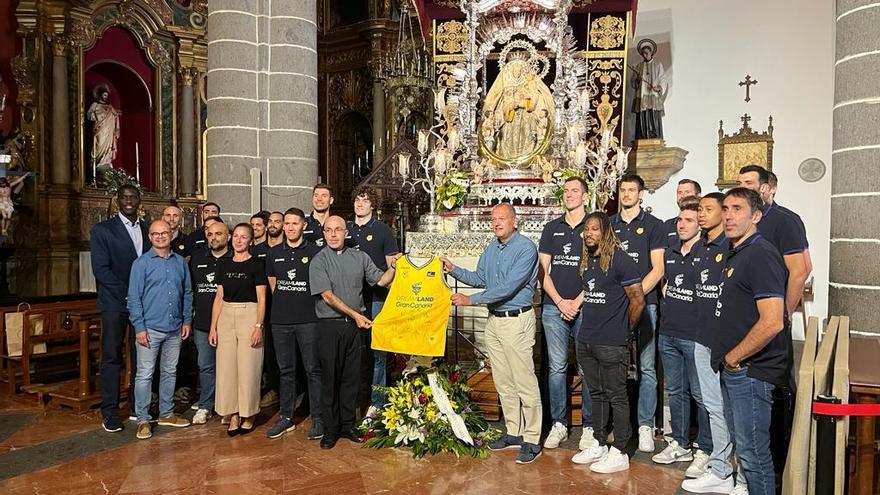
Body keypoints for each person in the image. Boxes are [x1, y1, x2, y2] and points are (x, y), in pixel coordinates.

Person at [441, 203, 543, 465]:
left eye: (502, 219)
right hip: (495, 321)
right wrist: (454, 269)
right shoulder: (492, 248)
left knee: (524, 382)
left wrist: (470, 300)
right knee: (504, 382)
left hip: (516, 320)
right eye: (493, 219)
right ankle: (514, 432)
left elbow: (508, 288)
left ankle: (532, 439)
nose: (496, 223)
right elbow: (479, 277)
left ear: (514, 221)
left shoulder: (526, 249)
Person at [711, 187, 789, 495]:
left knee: (754, 457)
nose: (728, 215)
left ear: (756, 215)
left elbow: (772, 321)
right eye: (726, 208)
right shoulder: (737, 250)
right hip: (736, 369)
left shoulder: (761, 253)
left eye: (738, 209)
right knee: (745, 453)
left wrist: (734, 358)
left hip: (751, 371)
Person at [309, 216, 399, 449]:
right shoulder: (319, 261)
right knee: (330, 379)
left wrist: (394, 267)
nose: (333, 234)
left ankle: (347, 425)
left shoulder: (359, 257)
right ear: (324, 234)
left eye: (338, 229)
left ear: (346, 232)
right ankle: (330, 430)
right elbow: (327, 296)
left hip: (353, 328)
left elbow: (380, 281)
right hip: (330, 326)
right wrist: (356, 315)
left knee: (351, 379)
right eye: (328, 230)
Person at [570, 211, 645, 473]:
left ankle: (620, 450)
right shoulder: (589, 259)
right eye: (586, 229)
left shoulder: (621, 260)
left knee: (617, 395)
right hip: (587, 339)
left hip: (612, 342)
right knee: (597, 393)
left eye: (594, 229)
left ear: (606, 232)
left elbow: (638, 300)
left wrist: (625, 332)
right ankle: (600, 443)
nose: (589, 233)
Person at [682, 192, 741, 493]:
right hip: (701, 336)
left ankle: (739, 474)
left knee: (733, 410)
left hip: (726, 342)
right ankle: (719, 468)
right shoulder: (702, 247)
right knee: (713, 407)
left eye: (708, 209)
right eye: (700, 209)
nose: (701, 214)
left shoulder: (729, 248)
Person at [653, 200, 711, 471]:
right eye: (679, 220)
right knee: (675, 391)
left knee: (700, 394)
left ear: (699, 224)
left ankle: (705, 448)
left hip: (695, 334)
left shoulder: (709, 251)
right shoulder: (671, 250)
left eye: (688, 220)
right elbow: (666, 283)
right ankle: (680, 443)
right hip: (669, 332)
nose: (681, 224)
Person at [538, 177, 594, 451]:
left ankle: (589, 427)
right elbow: (542, 271)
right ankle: (559, 424)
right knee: (557, 368)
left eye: (575, 191)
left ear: (585, 196)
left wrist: (578, 301)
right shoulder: (552, 228)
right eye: (567, 191)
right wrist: (560, 301)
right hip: (553, 307)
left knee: (587, 367)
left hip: (587, 306)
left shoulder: (594, 226)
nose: (570, 195)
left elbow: (599, 268)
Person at [611, 173, 665, 452]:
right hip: (614, 306)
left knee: (646, 367)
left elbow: (658, 268)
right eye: (623, 190)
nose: (627, 194)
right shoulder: (609, 224)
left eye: (632, 190)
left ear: (641, 194)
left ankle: (645, 425)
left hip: (646, 304)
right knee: (615, 366)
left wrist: (636, 296)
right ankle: (618, 425)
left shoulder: (654, 226)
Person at [90, 184, 151, 433]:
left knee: (141, 358)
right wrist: (128, 294)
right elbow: (101, 270)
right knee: (112, 356)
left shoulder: (149, 230)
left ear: (139, 200)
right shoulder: (103, 231)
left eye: (133, 196)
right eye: (124, 197)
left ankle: (139, 408)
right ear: (117, 200)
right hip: (116, 302)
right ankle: (110, 411)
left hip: (144, 305)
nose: (128, 200)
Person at [128, 220, 193, 439]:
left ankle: (166, 413)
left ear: (171, 235)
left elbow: (187, 293)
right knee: (145, 374)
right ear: (150, 237)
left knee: (169, 371)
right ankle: (143, 419)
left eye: (164, 233)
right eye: (156, 234)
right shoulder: (141, 264)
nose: (160, 237)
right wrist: (139, 327)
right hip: (150, 329)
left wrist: (186, 321)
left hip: (174, 328)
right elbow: (134, 299)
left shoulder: (179, 262)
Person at [265, 208, 324, 440]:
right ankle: (286, 417)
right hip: (280, 321)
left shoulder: (316, 251)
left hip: (309, 320)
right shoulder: (273, 252)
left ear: (304, 226)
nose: (290, 227)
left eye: (295, 223)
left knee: (313, 370)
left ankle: (318, 418)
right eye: (287, 223)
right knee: (286, 371)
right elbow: (273, 283)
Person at [345, 186, 400, 419]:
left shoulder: (383, 230)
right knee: (351, 352)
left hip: (377, 298)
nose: (360, 204)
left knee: (377, 352)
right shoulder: (344, 229)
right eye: (357, 200)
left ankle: (377, 402)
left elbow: (392, 266)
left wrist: (383, 281)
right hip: (349, 298)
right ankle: (352, 401)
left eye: (365, 201)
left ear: (372, 205)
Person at [209, 223, 268, 435]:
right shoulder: (223, 264)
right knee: (226, 368)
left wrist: (258, 325)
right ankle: (232, 413)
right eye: (236, 236)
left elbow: (262, 298)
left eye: (244, 237)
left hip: (249, 314)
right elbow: (218, 297)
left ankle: (248, 413)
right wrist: (213, 327)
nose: (239, 240)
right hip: (226, 315)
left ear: (251, 241)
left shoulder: (256, 264)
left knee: (248, 366)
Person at [737, 165, 808, 318]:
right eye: (739, 183)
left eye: (748, 183)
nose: (742, 188)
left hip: (771, 303)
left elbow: (800, 271)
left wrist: (785, 314)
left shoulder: (785, 220)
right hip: (742, 306)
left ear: (764, 187)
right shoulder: (738, 220)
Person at [188, 218, 230, 425]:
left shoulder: (235, 259)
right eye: (210, 234)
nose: (213, 238)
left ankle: (228, 406)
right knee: (206, 366)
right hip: (203, 324)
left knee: (230, 367)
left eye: (218, 234)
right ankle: (206, 405)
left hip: (229, 323)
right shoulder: (196, 258)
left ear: (228, 236)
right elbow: (190, 291)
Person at [252, 210, 284, 409]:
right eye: (270, 221)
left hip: (280, 305)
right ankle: (266, 386)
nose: (273, 224)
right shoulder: (258, 249)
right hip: (259, 304)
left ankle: (278, 389)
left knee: (277, 351)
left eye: (277, 221)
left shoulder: (285, 249)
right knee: (262, 350)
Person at [632, 38, 667, 140]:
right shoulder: (639, 66)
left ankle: (654, 135)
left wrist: (659, 87)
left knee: (653, 116)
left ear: (651, 53)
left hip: (653, 95)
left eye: (647, 53)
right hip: (642, 95)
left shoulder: (657, 65)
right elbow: (634, 82)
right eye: (643, 53)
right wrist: (637, 79)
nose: (645, 55)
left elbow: (663, 78)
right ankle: (643, 136)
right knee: (642, 115)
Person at [87, 84, 121, 169]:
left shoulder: (109, 107)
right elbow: (89, 115)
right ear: (100, 95)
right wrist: (99, 116)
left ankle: (105, 161)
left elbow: (116, 116)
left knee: (108, 147)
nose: (106, 97)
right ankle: (97, 162)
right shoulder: (95, 105)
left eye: (107, 95)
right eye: (104, 95)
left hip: (109, 130)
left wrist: (117, 129)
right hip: (99, 130)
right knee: (99, 144)